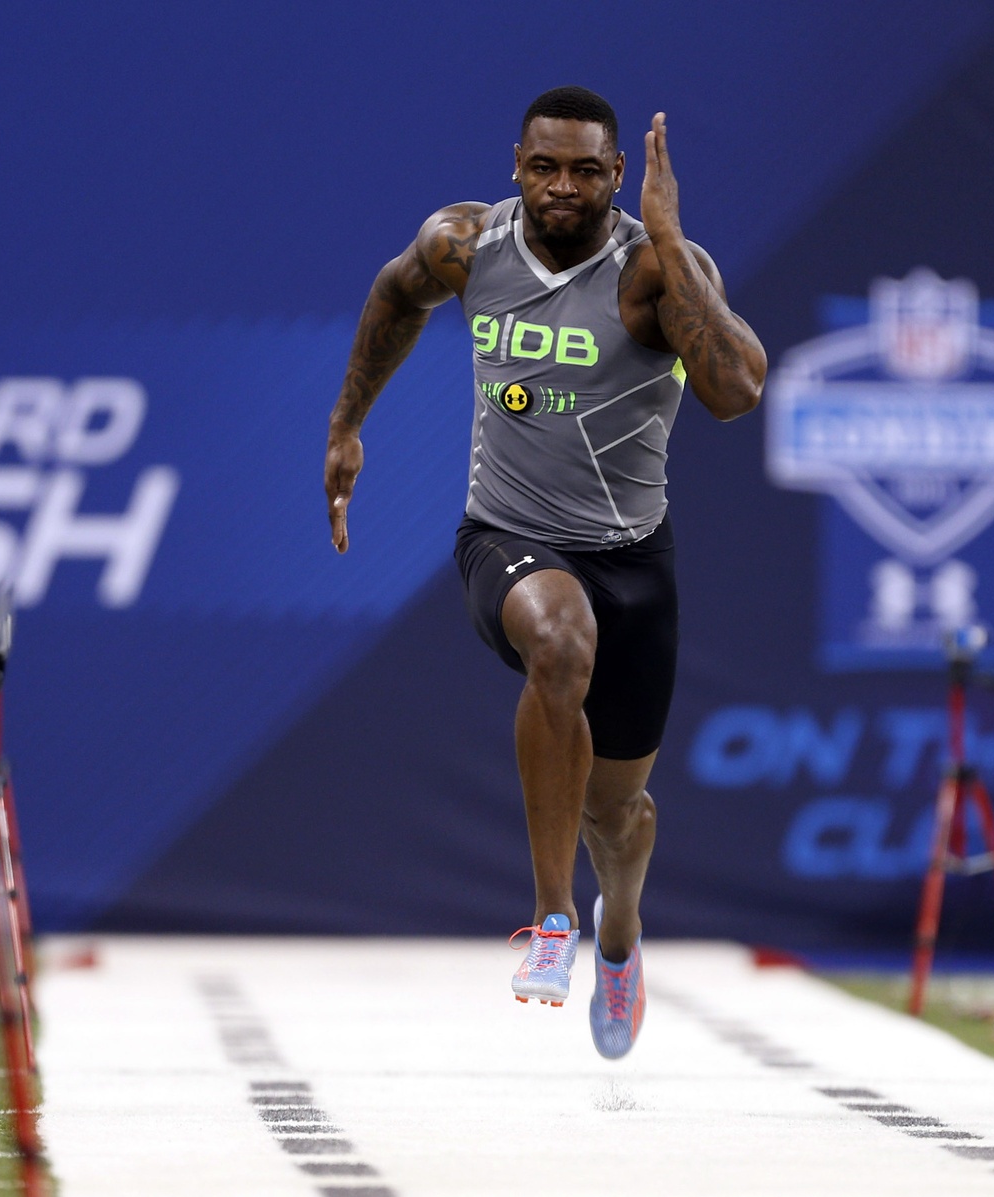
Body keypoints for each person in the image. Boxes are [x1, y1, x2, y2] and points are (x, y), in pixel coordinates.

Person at [323, 86, 765, 1058]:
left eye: (584, 172)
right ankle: (550, 921)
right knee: (558, 643)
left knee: (619, 813)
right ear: (514, 165)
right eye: (541, 168)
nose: (558, 188)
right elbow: (396, 296)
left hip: (633, 562)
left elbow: (733, 392)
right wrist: (348, 424)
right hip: (507, 537)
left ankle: (617, 933)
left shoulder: (654, 270)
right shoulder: (464, 243)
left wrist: (668, 234)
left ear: (616, 178)